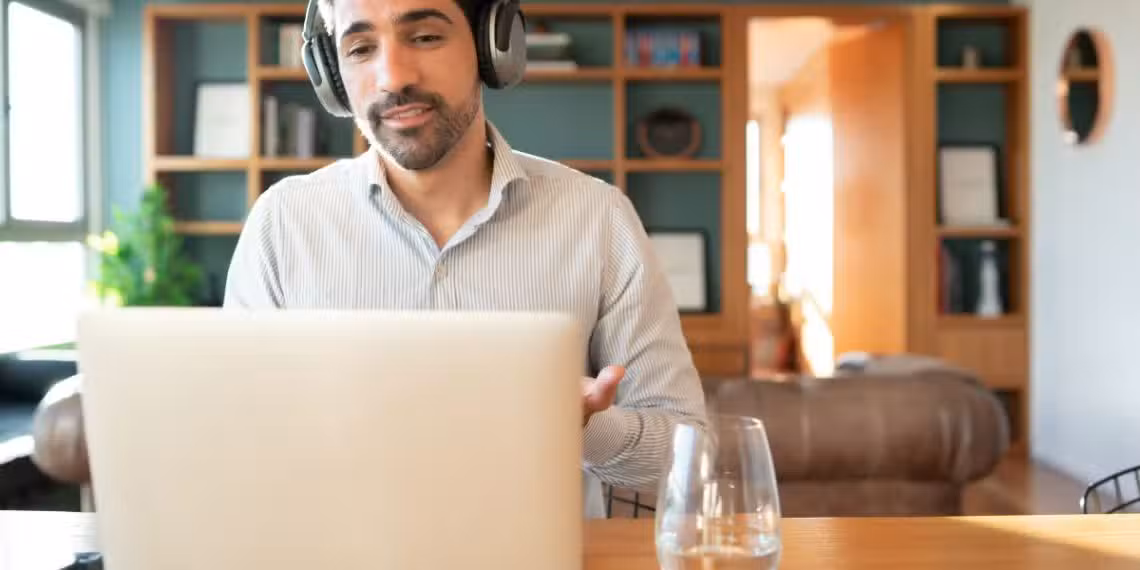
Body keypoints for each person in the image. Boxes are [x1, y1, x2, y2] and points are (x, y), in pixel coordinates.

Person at [223, 0, 708, 518]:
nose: (393, 77)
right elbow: (231, 446)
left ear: (490, 46)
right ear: (331, 74)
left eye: (425, 37)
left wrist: (582, 427)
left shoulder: (598, 219)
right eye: (361, 48)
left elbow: (685, 456)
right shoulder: (284, 223)